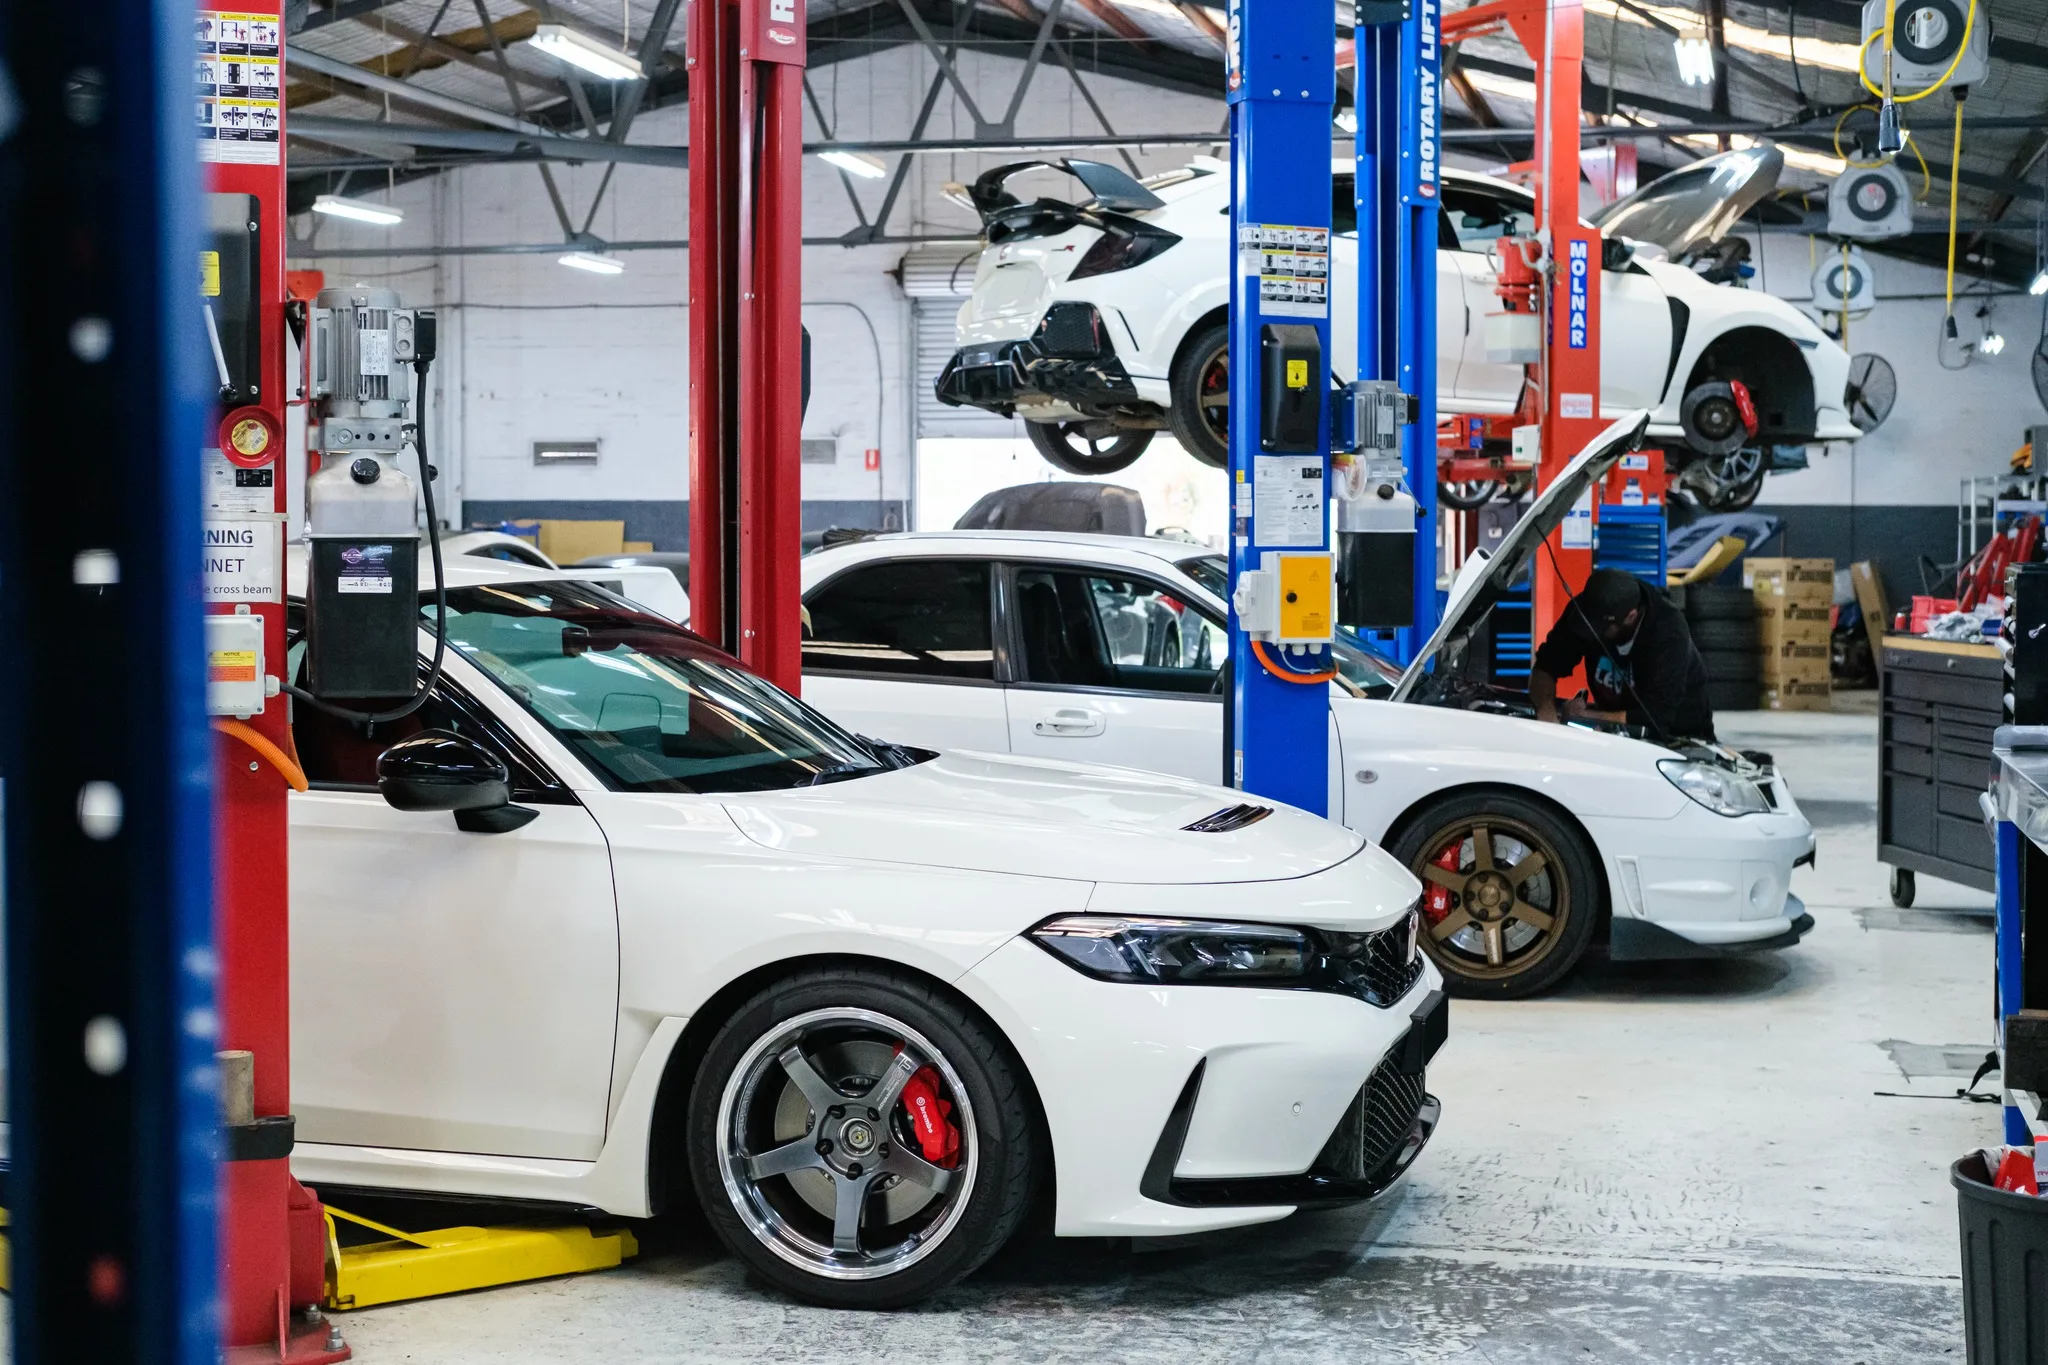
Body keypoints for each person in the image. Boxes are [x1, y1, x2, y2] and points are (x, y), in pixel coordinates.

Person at [1528, 567, 1715, 739]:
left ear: (1631, 617)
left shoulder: (1668, 631)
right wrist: (1547, 712)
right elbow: (1545, 667)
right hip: (1617, 731)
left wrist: (1586, 716)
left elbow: (1655, 717)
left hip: (1679, 736)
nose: (1594, 635)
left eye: (1601, 629)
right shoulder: (1585, 612)